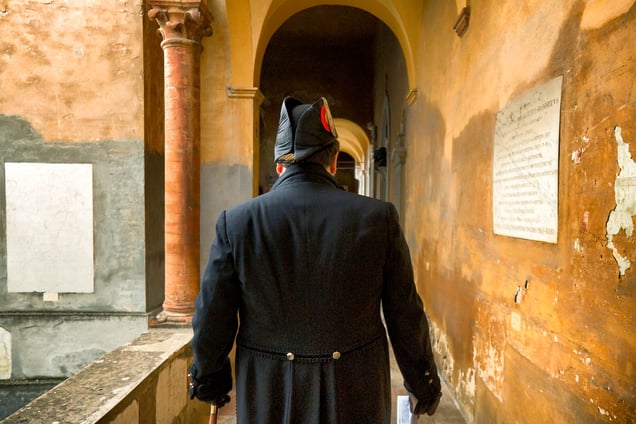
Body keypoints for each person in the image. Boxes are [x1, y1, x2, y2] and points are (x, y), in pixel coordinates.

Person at [189, 96, 442, 423]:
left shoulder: (236, 224)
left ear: (279, 165)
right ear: (334, 160)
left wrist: (210, 380)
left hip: (269, 393)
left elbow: (212, 315)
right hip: (356, 392)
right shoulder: (378, 218)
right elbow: (404, 313)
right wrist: (423, 383)